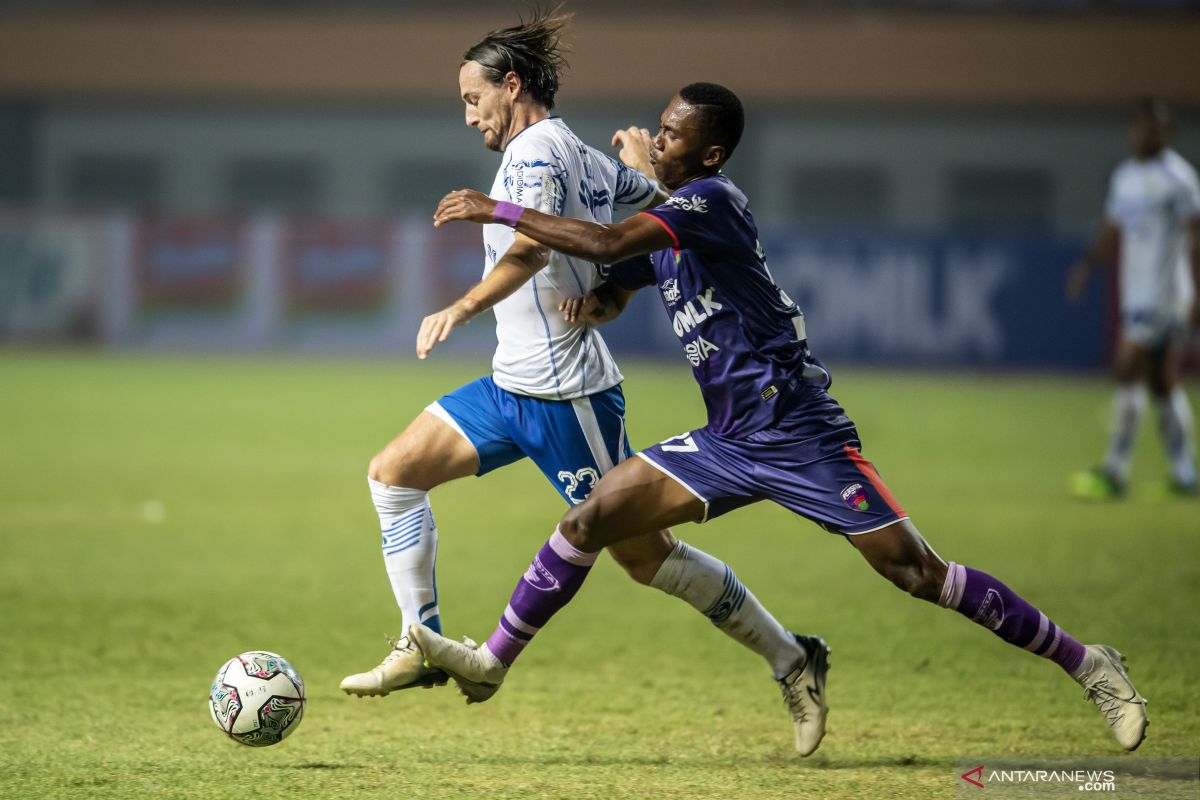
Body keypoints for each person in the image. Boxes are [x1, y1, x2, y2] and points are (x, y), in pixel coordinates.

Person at [414, 82, 1150, 754]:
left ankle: (1090, 664)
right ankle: (492, 663)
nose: (657, 140)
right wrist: (599, 302)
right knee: (589, 522)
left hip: (799, 432)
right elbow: (619, 279)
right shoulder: (671, 222)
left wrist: (498, 207)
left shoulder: (712, 204)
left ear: (710, 153)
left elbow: (607, 242)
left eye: (672, 136)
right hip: (727, 438)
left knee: (916, 573)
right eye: (659, 131)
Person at [339, 12, 820, 751]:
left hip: (570, 397)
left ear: (512, 84)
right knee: (394, 473)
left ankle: (792, 656)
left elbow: (533, 250)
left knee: (645, 555)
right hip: (512, 385)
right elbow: (655, 199)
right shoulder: (572, 150)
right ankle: (419, 642)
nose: (469, 118)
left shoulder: (535, 154)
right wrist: (624, 241)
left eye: (474, 100)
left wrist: (462, 306)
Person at [1068, 97, 1199, 499]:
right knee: (1161, 383)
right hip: (1137, 292)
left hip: (1165, 293)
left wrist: (1196, 290)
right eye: (1139, 126)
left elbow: (1196, 236)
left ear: (1166, 132)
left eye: (1153, 126)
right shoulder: (1124, 176)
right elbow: (1112, 228)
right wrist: (1088, 266)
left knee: (1126, 370)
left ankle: (1115, 471)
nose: (1144, 133)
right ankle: (1184, 474)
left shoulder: (1179, 178)